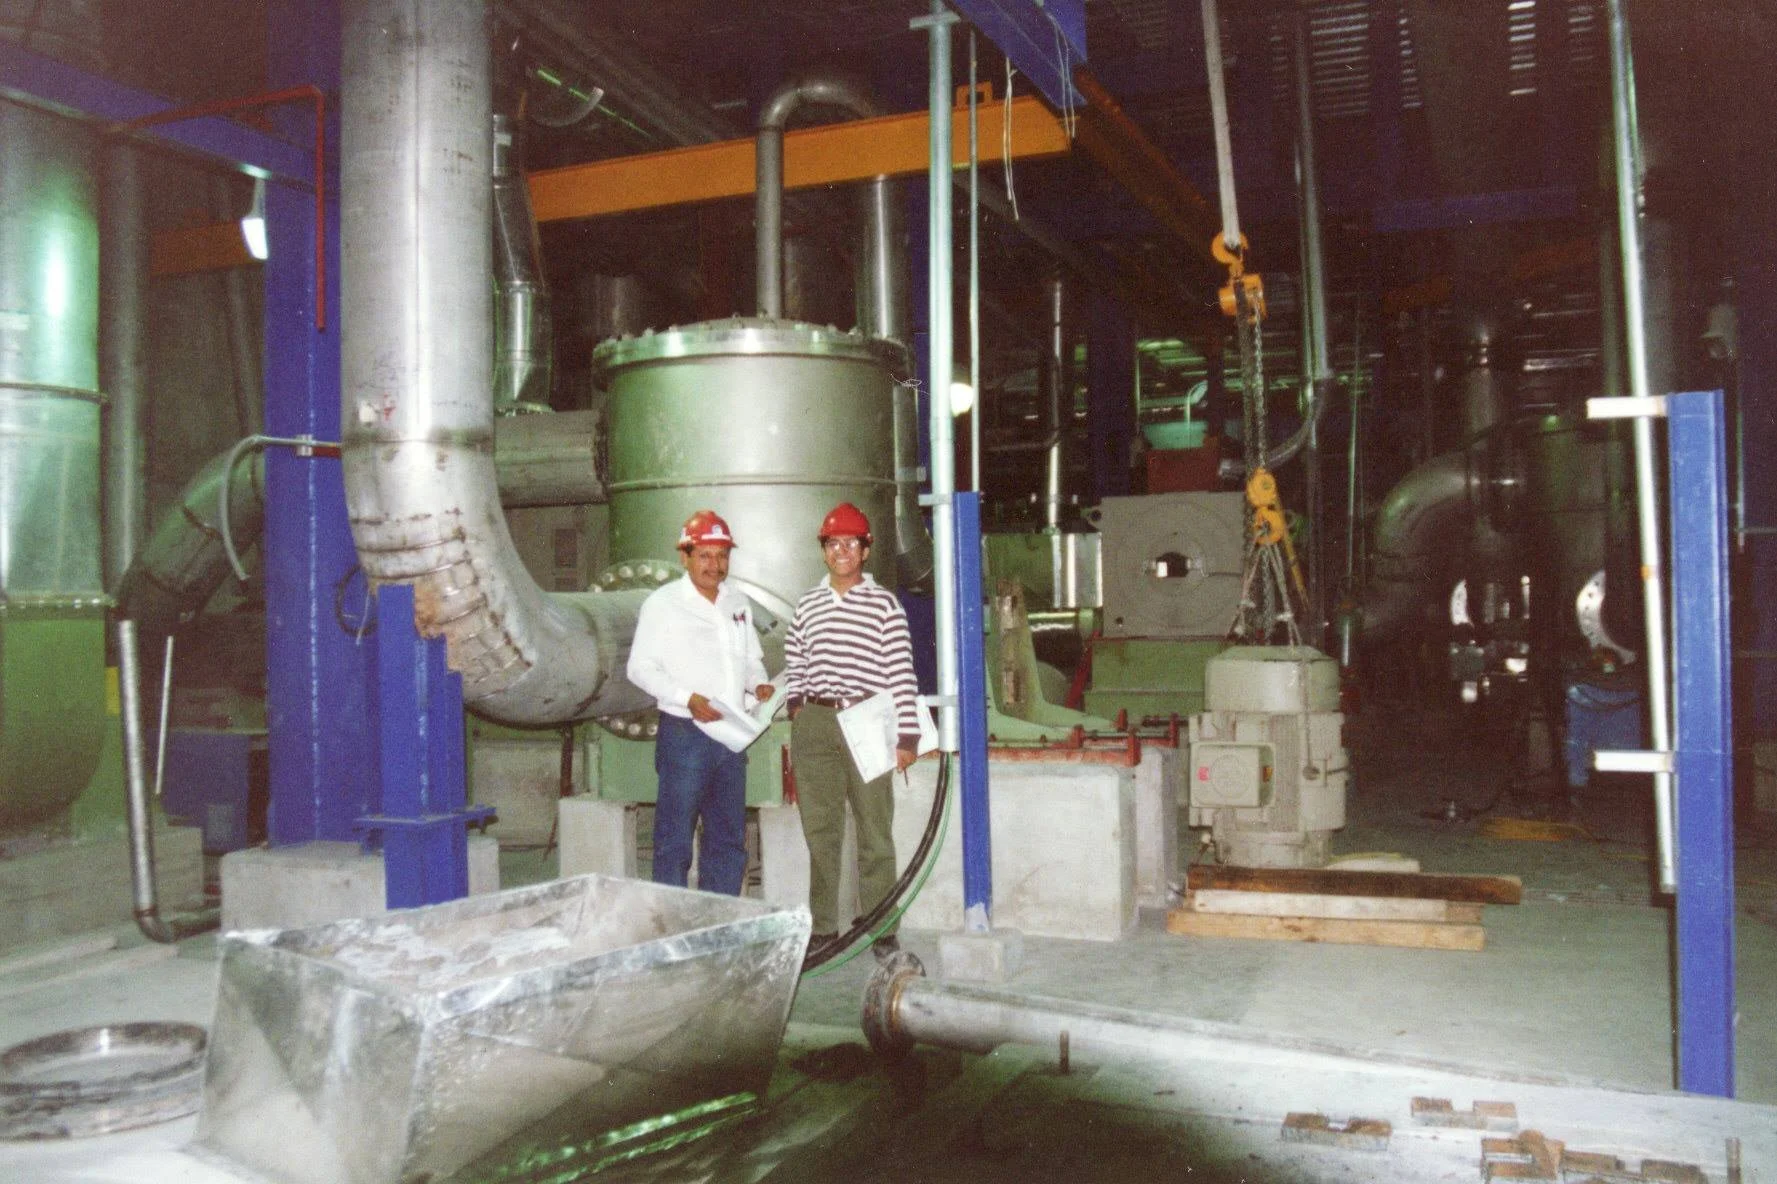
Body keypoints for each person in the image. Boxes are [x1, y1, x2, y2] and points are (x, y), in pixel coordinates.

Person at [782, 502, 920, 959]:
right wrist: (799, 707)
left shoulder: (885, 605)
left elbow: (901, 673)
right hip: (817, 723)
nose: (842, 551)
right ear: (824, 550)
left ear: (866, 551)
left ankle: (881, 925)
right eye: (834, 543)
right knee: (820, 830)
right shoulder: (808, 604)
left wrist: (907, 737)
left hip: (867, 719)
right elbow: (795, 659)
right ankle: (823, 926)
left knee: (874, 831)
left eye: (851, 543)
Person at [627, 509, 772, 895]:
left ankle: (719, 922)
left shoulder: (737, 602)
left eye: (722, 555)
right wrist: (686, 698)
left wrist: (759, 685)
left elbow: (751, 660)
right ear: (685, 557)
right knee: (675, 839)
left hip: (731, 736)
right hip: (685, 735)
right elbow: (639, 668)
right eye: (705, 555)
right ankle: (671, 925)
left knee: (727, 838)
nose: (715, 565)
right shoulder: (663, 603)